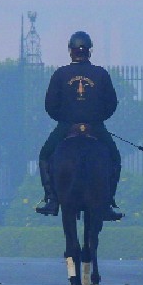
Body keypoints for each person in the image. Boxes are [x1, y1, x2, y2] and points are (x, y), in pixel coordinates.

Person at [35, 31, 123, 220]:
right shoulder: (101, 74)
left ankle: (52, 199)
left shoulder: (60, 74)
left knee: (44, 155)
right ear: (89, 51)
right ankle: (108, 202)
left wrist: (65, 120)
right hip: (95, 128)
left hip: (66, 128)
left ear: (70, 51)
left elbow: (50, 105)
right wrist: (96, 120)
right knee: (115, 158)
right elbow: (111, 104)